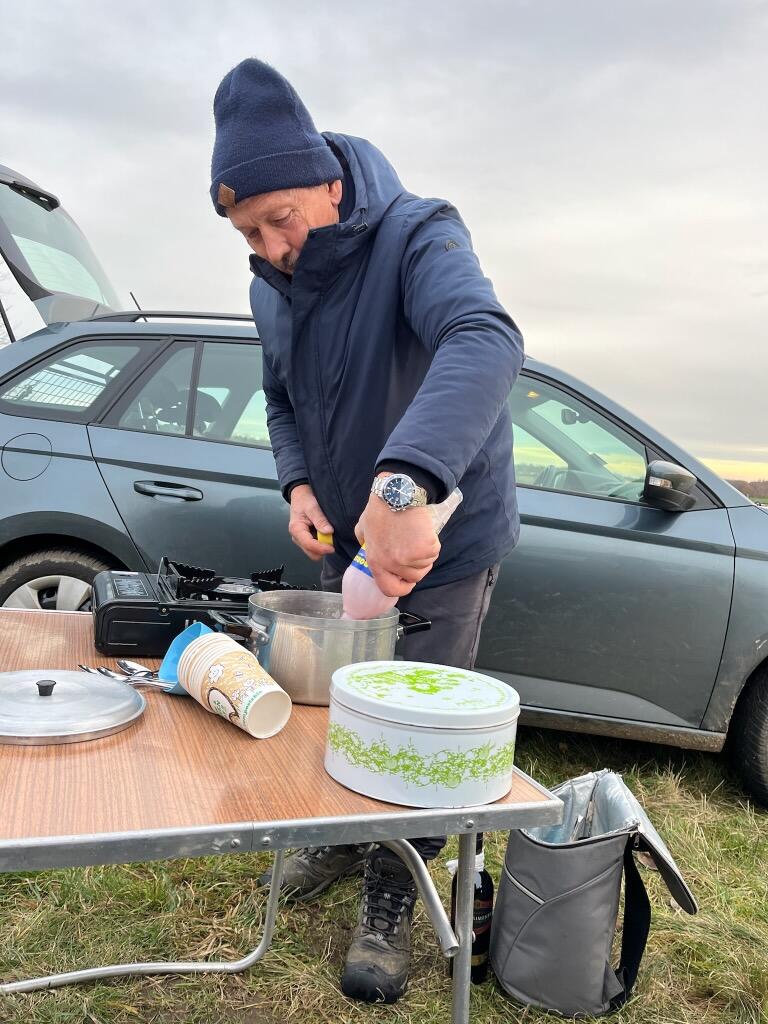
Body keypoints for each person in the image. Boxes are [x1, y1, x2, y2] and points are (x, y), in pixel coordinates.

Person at [210, 58, 523, 1004]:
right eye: (248, 233)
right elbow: (281, 398)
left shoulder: (420, 234)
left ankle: (396, 886)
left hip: (437, 542)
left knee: (415, 724)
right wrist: (299, 482)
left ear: (330, 186)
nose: (272, 249)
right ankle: (346, 841)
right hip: (347, 542)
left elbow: (485, 338)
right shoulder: (271, 286)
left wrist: (402, 482)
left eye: (282, 219)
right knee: (344, 705)